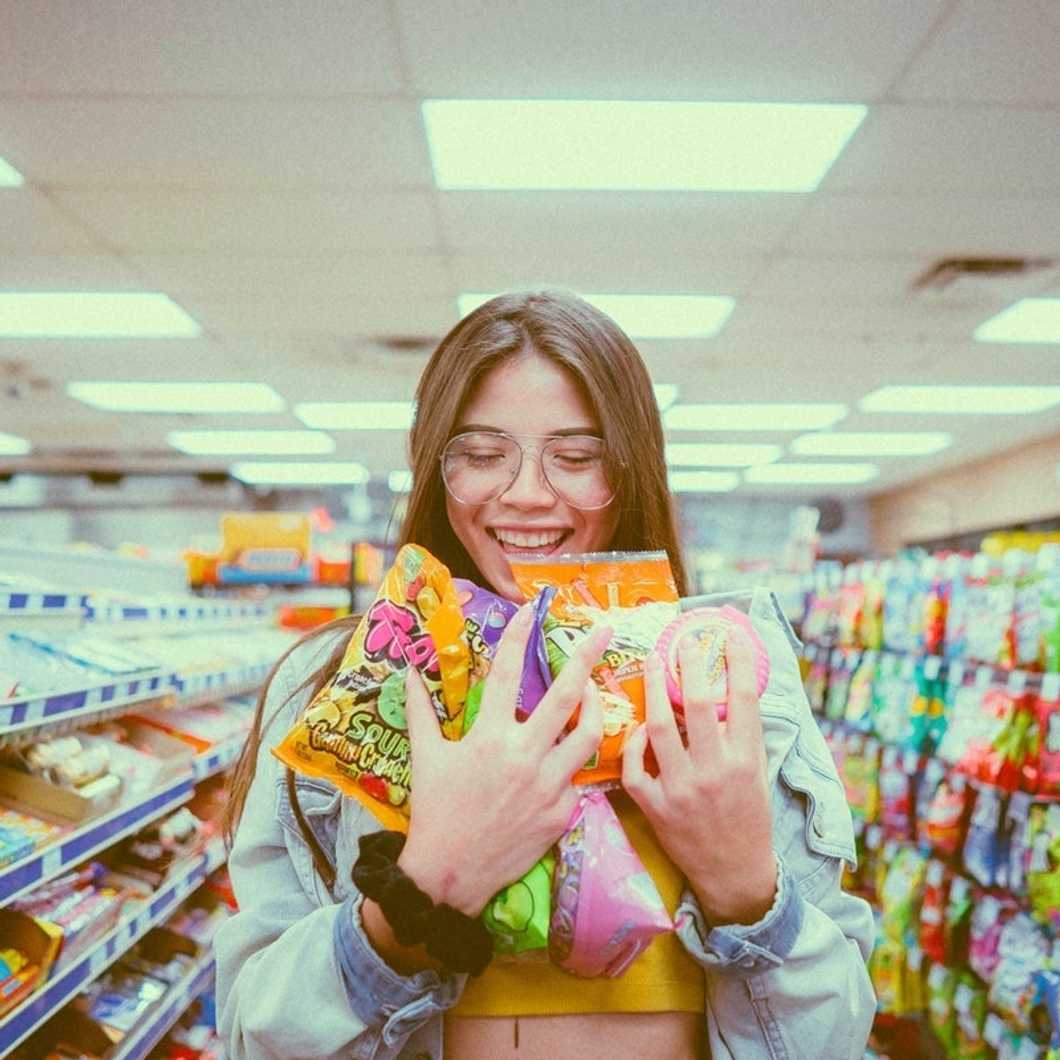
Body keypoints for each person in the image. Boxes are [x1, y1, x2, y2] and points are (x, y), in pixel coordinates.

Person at [214, 289, 876, 1060]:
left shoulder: (720, 676)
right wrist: (419, 893)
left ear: (629, 472)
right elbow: (251, 1040)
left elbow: (835, 1040)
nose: (527, 493)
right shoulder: (332, 686)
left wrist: (746, 893)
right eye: (483, 454)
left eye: (576, 456)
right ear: (435, 465)